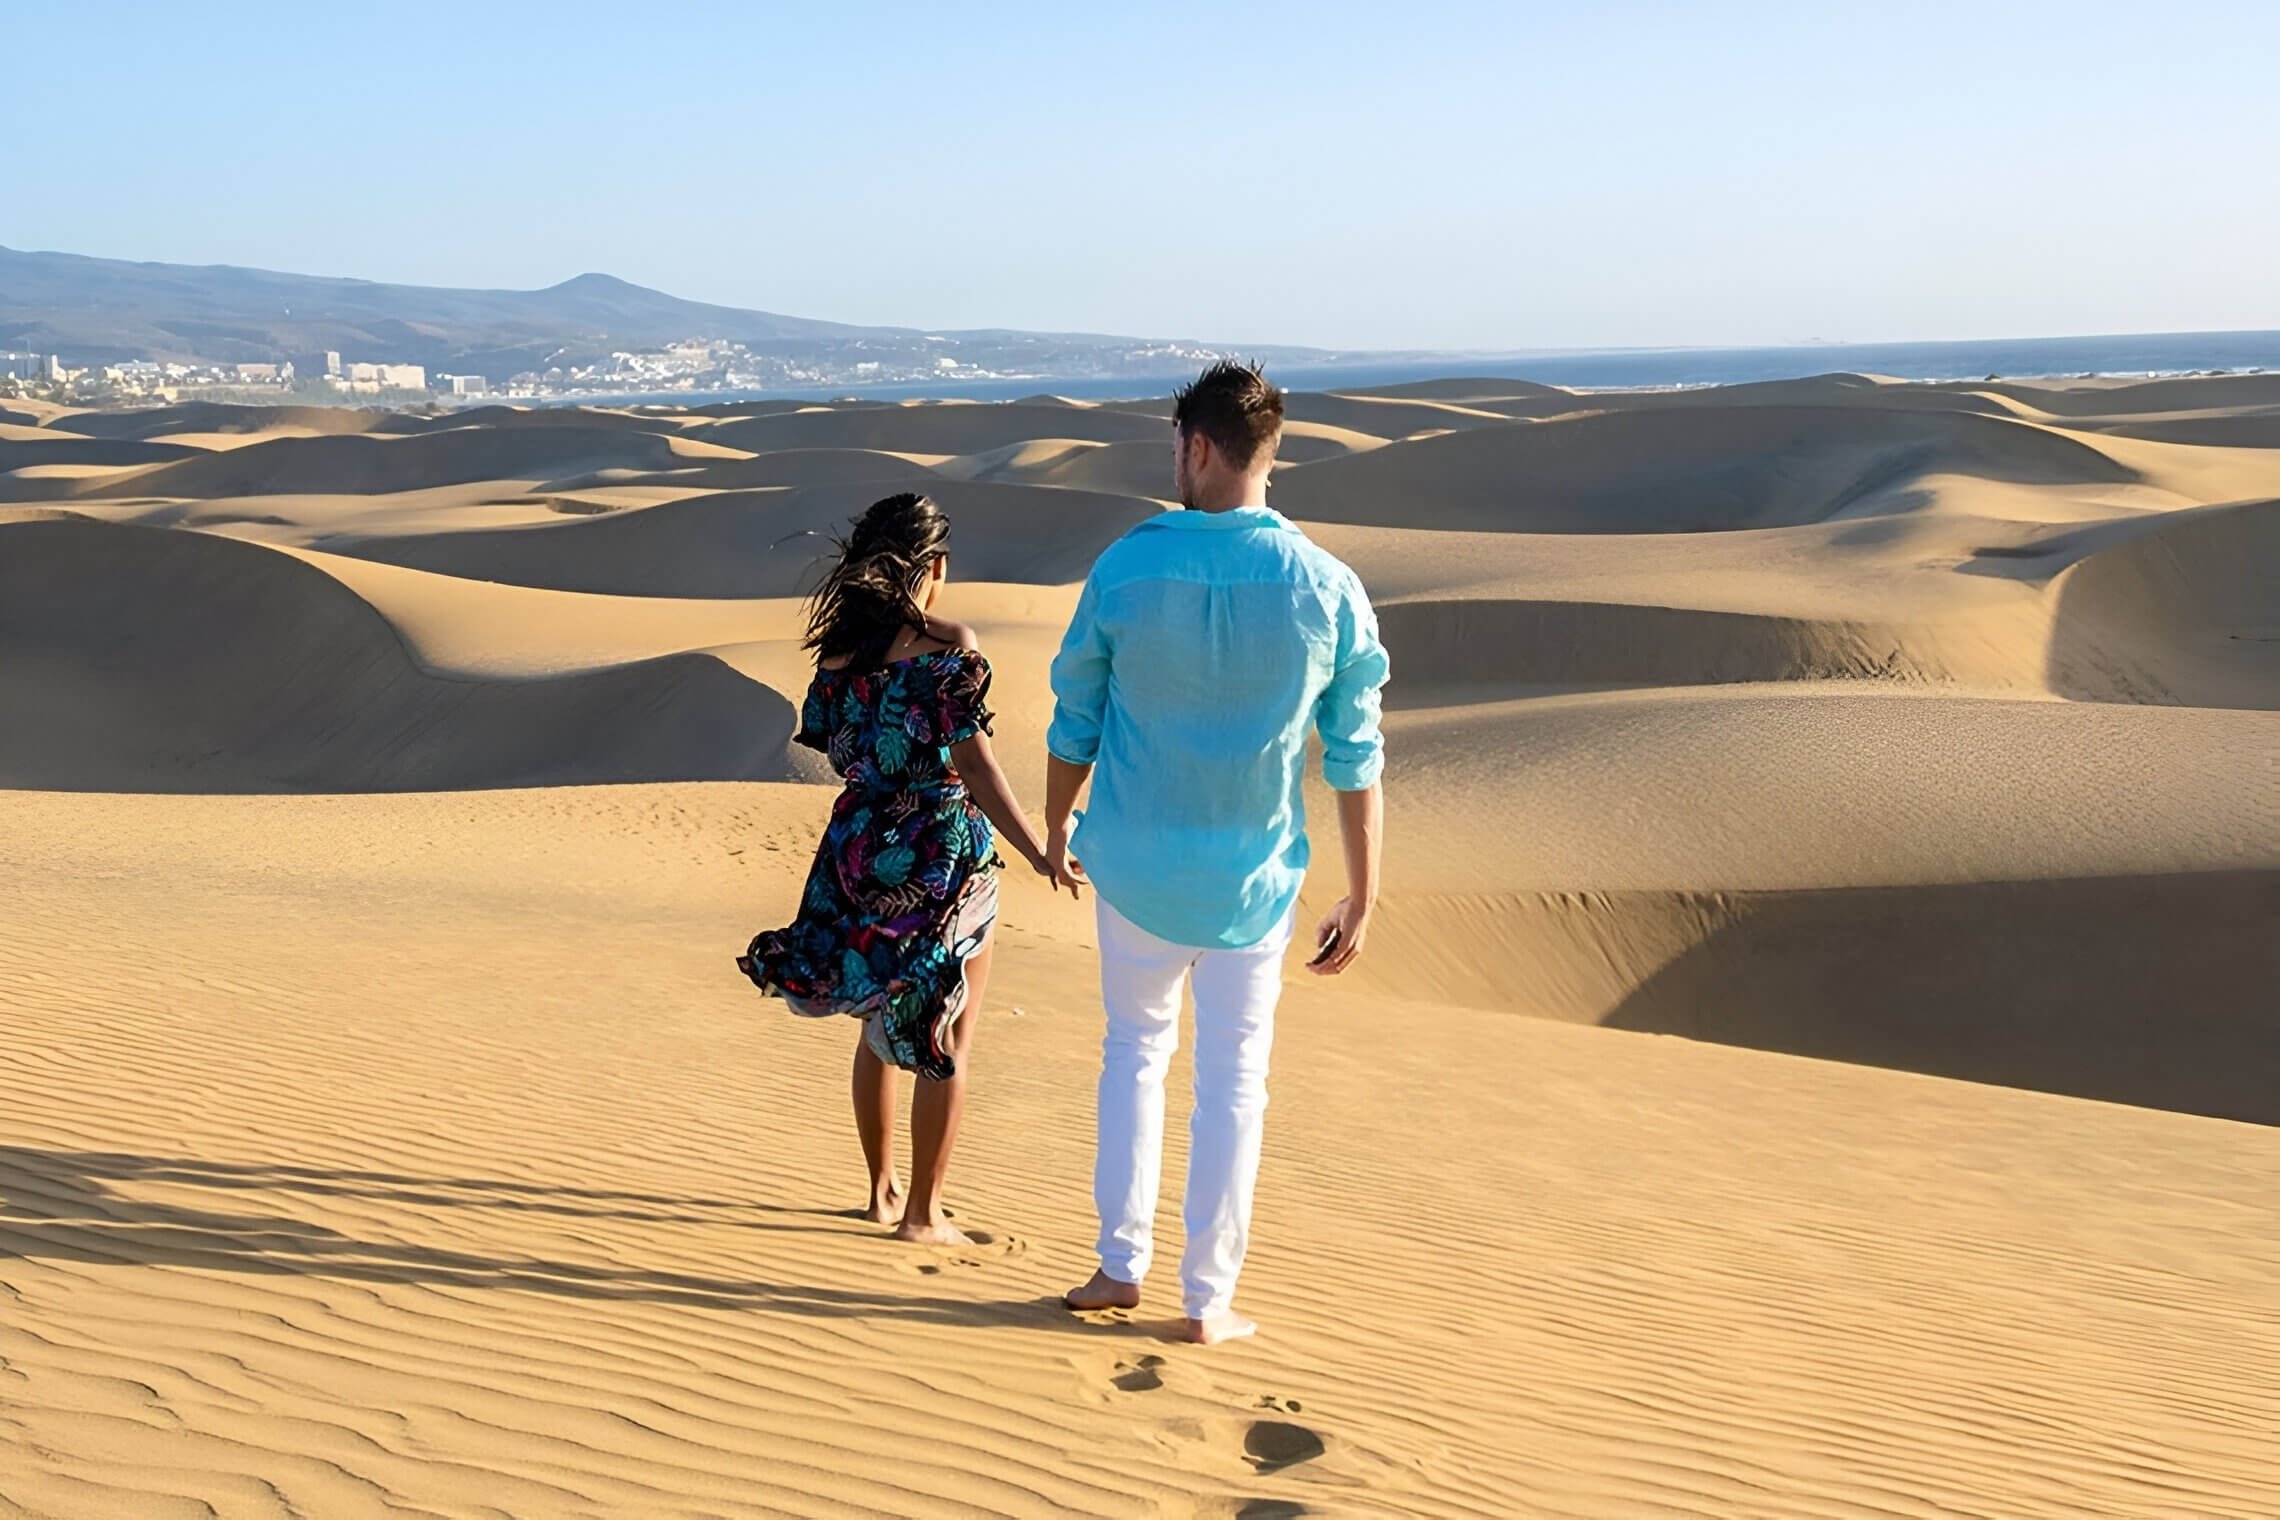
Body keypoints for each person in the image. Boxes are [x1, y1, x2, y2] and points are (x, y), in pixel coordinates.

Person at [1042, 361, 1390, 1344]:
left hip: (1139, 870)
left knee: (1134, 1053)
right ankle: (1208, 1298)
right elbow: (1357, 752)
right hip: (1253, 880)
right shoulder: (1325, 585)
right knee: (1235, 1078)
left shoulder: (1126, 566)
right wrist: (1363, 891)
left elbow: (1076, 719)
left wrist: (1059, 823)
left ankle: (1120, 1266)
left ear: (1197, 446)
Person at [738, 492, 1069, 1246]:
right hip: (940, 852)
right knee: (943, 1032)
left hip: (856, 849)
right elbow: (975, 767)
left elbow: (838, 746)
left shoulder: (837, 653)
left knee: (878, 1024)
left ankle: (881, 1194)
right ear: (934, 566)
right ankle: (924, 1216)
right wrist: (1039, 847)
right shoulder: (947, 644)